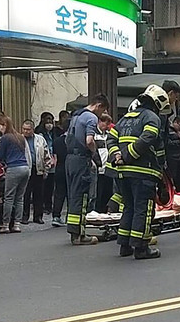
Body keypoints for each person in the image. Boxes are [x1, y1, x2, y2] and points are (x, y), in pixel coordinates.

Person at [107, 85, 169, 259]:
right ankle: (141, 248)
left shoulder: (125, 118)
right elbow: (148, 138)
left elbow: (111, 138)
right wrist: (128, 156)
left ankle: (125, 245)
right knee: (144, 209)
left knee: (129, 207)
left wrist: (117, 155)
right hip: (143, 172)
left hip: (122, 173)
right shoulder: (152, 118)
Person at [65, 94, 109, 245]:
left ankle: (73, 231)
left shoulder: (76, 115)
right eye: (102, 111)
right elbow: (89, 140)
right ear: (98, 105)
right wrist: (94, 153)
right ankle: (79, 235)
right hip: (81, 159)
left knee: (73, 195)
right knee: (82, 196)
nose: (101, 115)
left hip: (70, 159)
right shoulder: (91, 118)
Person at [0, 116, 31, 234]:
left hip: (14, 168)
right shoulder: (20, 137)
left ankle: (6, 224)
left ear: (4, 125)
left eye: (0, 127)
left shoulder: (6, 138)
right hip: (25, 168)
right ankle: (17, 224)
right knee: (19, 198)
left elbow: (0, 156)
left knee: (9, 197)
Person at [21, 120, 51, 225]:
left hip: (38, 169)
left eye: (28, 129)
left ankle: (38, 216)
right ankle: (24, 216)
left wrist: (47, 168)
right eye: (24, 129)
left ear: (33, 129)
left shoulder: (40, 139)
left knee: (39, 194)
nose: (26, 131)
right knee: (25, 194)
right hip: (25, 170)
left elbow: (46, 154)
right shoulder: (20, 140)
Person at [36, 112, 56, 214]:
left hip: (53, 160)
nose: (49, 123)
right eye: (47, 120)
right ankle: (43, 205)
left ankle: (49, 205)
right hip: (43, 161)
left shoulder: (53, 133)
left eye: (51, 121)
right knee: (42, 185)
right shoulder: (39, 133)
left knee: (50, 186)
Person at [51, 119, 69, 227]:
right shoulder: (74, 140)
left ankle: (56, 216)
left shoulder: (57, 141)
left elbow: (55, 157)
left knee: (59, 193)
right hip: (71, 168)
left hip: (59, 168)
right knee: (71, 193)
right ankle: (70, 216)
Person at [94, 114, 113, 213]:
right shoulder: (94, 134)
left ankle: (104, 210)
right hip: (99, 168)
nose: (108, 126)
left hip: (108, 167)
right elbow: (94, 151)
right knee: (98, 191)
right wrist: (98, 163)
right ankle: (97, 210)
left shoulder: (108, 134)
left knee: (108, 191)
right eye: (106, 123)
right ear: (100, 122)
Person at [167, 115, 180, 192]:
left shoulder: (179, 131)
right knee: (172, 177)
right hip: (172, 158)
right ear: (175, 122)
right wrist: (179, 142)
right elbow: (167, 143)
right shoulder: (168, 131)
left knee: (179, 177)